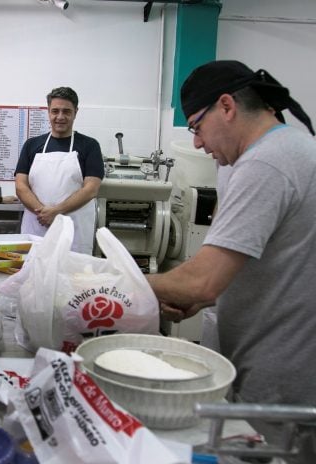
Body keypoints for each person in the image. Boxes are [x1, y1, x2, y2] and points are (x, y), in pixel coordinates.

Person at [147, 60, 316, 463]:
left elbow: (203, 280)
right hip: (260, 357)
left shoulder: (267, 163)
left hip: (283, 375)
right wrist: (199, 299)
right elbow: (249, 264)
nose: (199, 144)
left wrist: (113, 282)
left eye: (196, 127)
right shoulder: (261, 156)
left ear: (227, 106)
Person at [14, 87, 104, 254]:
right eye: (55, 111)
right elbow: (21, 185)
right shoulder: (32, 145)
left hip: (74, 232)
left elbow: (91, 189)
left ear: (75, 113)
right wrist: (43, 213)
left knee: (73, 277)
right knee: (35, 274)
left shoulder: (90, 146)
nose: (60, 117)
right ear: (48, 112)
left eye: (66, 111)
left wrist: (56, 211)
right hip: (37, 228)